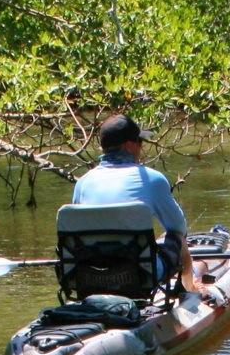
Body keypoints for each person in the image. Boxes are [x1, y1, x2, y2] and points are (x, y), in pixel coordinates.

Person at [71, 113, 189, 283]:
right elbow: (178, 227)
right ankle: (190, 288)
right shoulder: (152, 179)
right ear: (128, 146)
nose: (141, 147)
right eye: (139, 141)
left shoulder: (82, 183)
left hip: (91, 274)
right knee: (177, 237)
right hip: (140, 275)